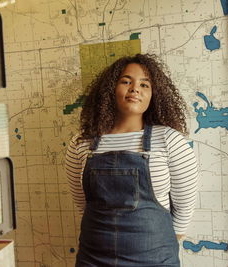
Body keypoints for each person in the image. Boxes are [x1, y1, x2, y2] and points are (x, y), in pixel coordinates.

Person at [65, 54, 199, 267]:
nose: (135, 88)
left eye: (144, 84)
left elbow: (183, 210)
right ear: (110, 90)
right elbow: (83, 205)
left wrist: (155, 247)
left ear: (154, 95)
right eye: (126, 81)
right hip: (93, 259)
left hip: (155, 260)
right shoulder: (81, 143)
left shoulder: (169, 140)